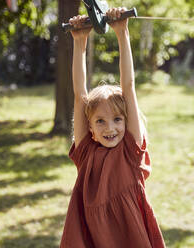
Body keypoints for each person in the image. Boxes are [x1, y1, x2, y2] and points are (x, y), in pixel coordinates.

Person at [59, 7, 165, 248]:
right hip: (92, 238)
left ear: (127, 121)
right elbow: (79, 95)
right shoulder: (86, 153)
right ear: (90, 127)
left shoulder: (130, 149)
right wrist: (80, 42)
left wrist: (122, 33)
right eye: (100, 121)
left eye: (118, 119)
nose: (111, 128)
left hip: (130, 237)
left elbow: (128, 87)